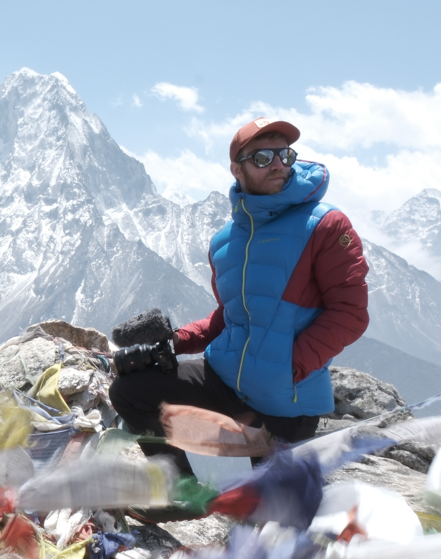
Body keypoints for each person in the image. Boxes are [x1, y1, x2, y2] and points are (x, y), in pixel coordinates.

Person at [110, 117, 370, 465]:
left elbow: (350, 314)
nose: (278, 164)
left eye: (285, 155)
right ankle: (178, 492)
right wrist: (175, 342)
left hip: (285, 405)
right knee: (130, 390)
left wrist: (288, 366)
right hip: (224, 383)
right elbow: (230, 316)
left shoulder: (325, 225)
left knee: (265, 514)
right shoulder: (224, 241)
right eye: (263, 157)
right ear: (237, 169)